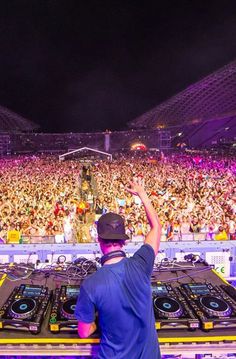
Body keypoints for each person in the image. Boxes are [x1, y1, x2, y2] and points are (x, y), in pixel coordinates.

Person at [75, 177, 162, 358]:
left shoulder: (91, 284)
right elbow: (156, 227)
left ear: (99, 240)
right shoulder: (142, 263)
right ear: (123, 240)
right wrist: (142, 194)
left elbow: (84, 332)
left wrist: (97, 322)